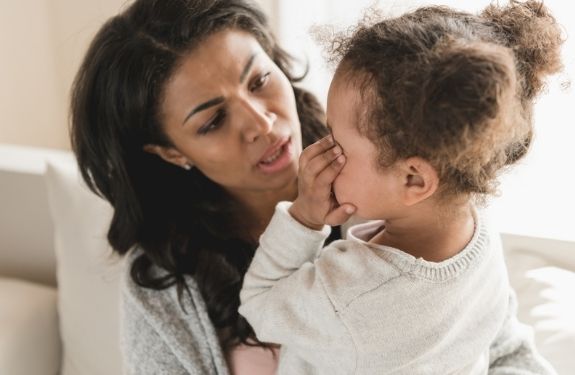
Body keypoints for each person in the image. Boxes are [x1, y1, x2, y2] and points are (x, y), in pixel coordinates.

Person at [69, 0, 559, 374]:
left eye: (259, 79)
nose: (261, 121)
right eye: (215, 119)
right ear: (170, 152)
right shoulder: (163, 289)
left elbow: (503, 348)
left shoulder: (399, 169)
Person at [239, 1, 563, 374]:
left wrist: (304, 218)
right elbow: (497, 334)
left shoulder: (349, 296)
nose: (319, 150)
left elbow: (260, 304)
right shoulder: (478, 234)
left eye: (336, 141)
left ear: (413, 180)